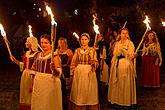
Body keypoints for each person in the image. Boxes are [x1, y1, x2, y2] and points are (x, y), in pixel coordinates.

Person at [31, 34, 62, 110]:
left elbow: (58, 74)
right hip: (38, 83)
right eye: (42, 42)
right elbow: (33, 70)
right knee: (39, 103)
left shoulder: (54, 56)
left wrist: (54, 69)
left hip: (50, 83)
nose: (43, 44)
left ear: (51, 44)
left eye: (46, 43)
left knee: (48, 104)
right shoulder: (38, 55)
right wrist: (32, 83)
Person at [69, 33, 99, 110]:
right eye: (82, 39)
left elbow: (96, 63)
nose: (83, 41)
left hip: (89, 73)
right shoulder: (77, 50)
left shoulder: (92, 50)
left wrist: (93, 63)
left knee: (88, 90)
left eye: (85, 39)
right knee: (79, 91)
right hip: (79, 73)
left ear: (88, 40)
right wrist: (72, 73)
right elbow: (73, 63)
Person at [108, 28, 136, 107]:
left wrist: (130, 54)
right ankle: (117, 101)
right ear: (120, 34)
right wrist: (119, 50)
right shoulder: (117, 43)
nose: (124, 35)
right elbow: (115, 54)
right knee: (117, 83)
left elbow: (131, 54)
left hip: (125, 64)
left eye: (126, 33)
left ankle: (125, 101)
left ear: (128, 35)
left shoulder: (130, 43)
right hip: (117, 65)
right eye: (123, 33)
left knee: (125, 83)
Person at [11, 36, 40, 110]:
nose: (25, 43)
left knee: (31, 92)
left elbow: (37, 67)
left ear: (32, 43)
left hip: (32, 75)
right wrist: (15, 61)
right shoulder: (27, 52)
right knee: (24, 92)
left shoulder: (37, 54)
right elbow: (24, 65)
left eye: (27, 41)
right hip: (25, 74)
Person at [55, 37, 73, 109]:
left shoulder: (69, 51)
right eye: (60, 42)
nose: (61, 44)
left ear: (65, 43)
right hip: (58, 71)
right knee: (59, 88)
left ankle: (67, 106)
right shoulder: (56, 51)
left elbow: (71, 63)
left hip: (66, 71)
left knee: (66, 90)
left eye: (63, 42)